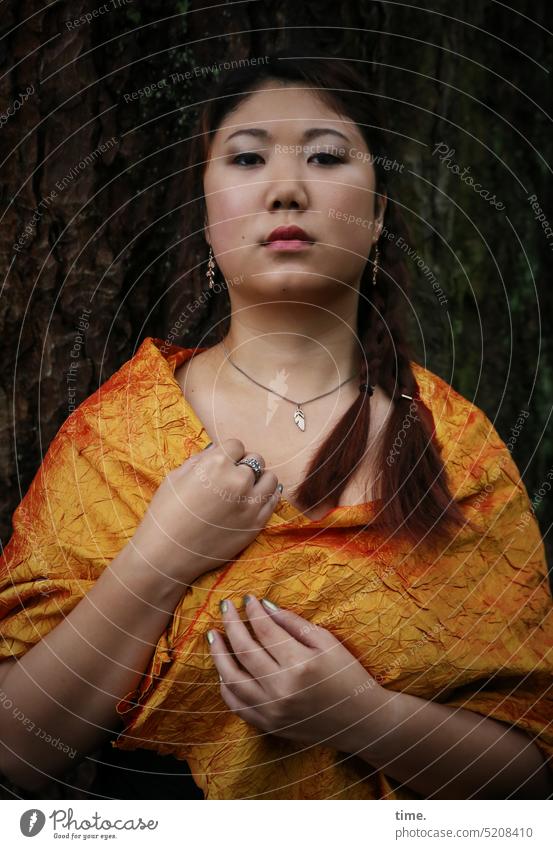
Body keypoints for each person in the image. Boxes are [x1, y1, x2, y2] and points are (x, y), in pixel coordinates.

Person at [1, 55, 552, 801]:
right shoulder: (117, 435)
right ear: (203, 204)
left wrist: (358, 716)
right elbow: (16, 749)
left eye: (325, 157)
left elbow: (530, 776)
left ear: (380, 211)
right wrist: (159, 557)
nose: (286, 188)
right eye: (248, 157)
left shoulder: (459, 449)